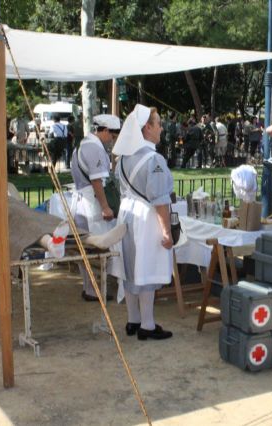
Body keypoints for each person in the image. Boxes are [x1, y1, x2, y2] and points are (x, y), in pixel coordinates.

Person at [112, 104, 174, 340]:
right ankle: (147, 325)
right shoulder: (154, 159)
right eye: (158, 124)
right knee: (147, 267)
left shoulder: (124, 158)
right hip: (146, 219)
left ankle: (133, 320)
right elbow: (160, 200)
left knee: (129, 268)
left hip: (126, 215)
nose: (161, 128)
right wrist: (166, 232)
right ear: (147, 128)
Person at [71, 114, 121, 301]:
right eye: (112, 136)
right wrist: (105, 207)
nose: (112, 140)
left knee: (86, 248)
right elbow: (97, 181)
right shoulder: (94, 148)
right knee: (98, 248)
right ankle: (94, 289)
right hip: (91, 203)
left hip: (82, 202)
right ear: (105, 131)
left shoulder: (84, 144)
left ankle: (89, 288)